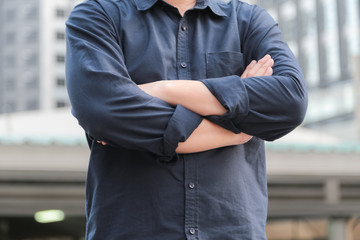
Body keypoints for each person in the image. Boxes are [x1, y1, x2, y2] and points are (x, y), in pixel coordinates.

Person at [65, 0, 308, 239]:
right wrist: (236, 127)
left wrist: (164, 90)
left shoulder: (249, 21)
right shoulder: (98, 15)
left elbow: (291, 101)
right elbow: (104, 111)